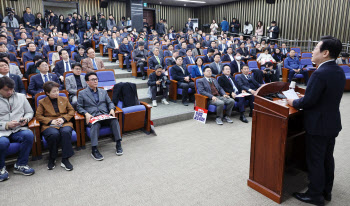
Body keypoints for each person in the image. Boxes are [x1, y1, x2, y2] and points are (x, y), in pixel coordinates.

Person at [287, 36, 345, 206]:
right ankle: (327, 191)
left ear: (325, 53)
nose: (312, 51)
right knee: (327, 158)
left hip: (318, 125)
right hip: (332, 122)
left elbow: (308, 102)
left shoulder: (320, 73)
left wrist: (293, 102)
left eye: (315, 48)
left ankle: (314, 195)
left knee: (316, 160)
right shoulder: (339, 70)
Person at [77, 72, 123, 161]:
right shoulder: (82, 93)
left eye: (96, 79)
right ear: (87, 82)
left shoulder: (103, 91)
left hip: (104, 115)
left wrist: (112, 109)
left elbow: (109, 102)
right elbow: (79, 107)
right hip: (93, 116)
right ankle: (94, 149)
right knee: (95, 125)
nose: (95, 81)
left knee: (114, 120)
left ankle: (118, 143)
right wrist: (86, 113)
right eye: (93, 80)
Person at [0, 76, 35, 182]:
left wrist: (26, 119)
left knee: (28, 135)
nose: (10, 92)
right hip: (2, 131)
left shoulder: (20, 96)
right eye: (6, 90)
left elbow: (30, 112)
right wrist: (6, 125)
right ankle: (1, 168)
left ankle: (21, 164)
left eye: (11, 89)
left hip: (17, 129)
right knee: (2, 143)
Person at [35, 81, 75, 171]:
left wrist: (63, 119)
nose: (57, 93)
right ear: (47, 93)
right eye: (54, 91)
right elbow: (38, 116)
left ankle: (65, 159)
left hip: (64, 122)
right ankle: (52, 157)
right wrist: (51, 121)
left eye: (57, 90)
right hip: (50, 124)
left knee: (65, 132)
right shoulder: (42, 102)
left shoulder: (64, 99)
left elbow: (71, 111)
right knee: (54, 134)